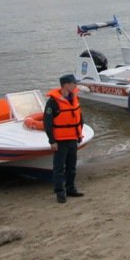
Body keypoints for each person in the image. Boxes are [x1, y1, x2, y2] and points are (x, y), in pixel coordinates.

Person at [44, 74, 85, 203]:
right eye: (73, 83)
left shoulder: (74, 98)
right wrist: (52, 140)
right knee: (59, 167)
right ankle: (60, 192)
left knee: (72, 166)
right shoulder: (53, 102)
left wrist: (79, 134)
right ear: (66, 85)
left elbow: (79, 117)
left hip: (73, 138)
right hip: (60, 141)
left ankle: (71, 188)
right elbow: (48, 123)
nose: (75, 85)